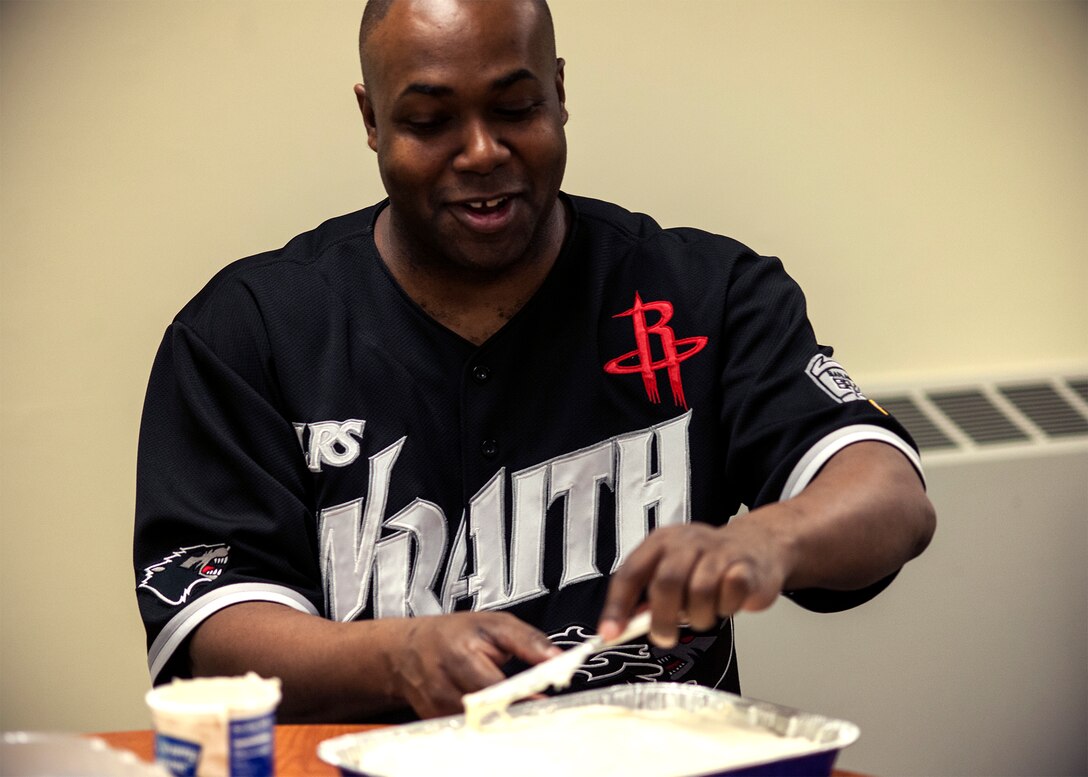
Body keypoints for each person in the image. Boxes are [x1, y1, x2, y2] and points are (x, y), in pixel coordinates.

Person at [133, 0, 935, 724]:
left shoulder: (703, 295)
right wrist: (398, 654)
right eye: (429, 120)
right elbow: (213, 630)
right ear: (371, 118)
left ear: (558, 90)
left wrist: (768, 537)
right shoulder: (250, 334)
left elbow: (889, 495)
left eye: (516, 107)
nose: (482, 151)